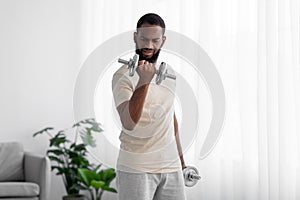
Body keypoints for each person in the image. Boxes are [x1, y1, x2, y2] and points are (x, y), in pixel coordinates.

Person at [112, 13, 186, 200]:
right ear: (135, 37)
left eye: (155, 40)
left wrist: (181, 161)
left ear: (163, 40)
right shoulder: (122, 76)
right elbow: (129, 123)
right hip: (136, 167)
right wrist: (144, 80)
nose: (149, 46)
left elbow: (171, 118)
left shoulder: (168, 73)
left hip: (171, 167)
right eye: (144, 39)